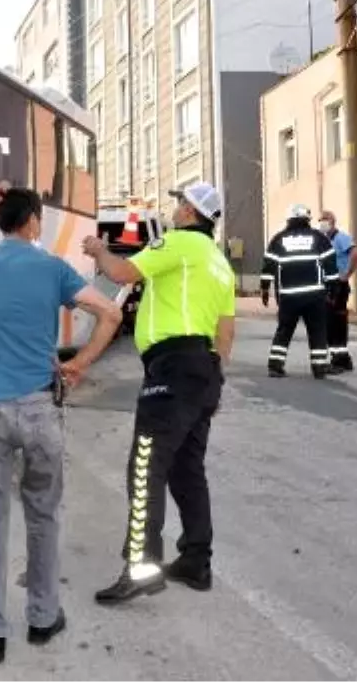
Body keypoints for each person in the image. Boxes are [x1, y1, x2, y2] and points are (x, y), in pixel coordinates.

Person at [0, 182, 122, 663]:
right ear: (34, 222)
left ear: (4, 220)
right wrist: (81, 363)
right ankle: (43, 618)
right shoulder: (53, 268)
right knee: (43, 514)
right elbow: (110, 311)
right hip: (40, 408)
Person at [80, 182, 235, 604]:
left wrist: (99, 250)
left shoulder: (179, 242)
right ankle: (195, 561)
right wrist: (215, 381)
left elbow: (122, 273)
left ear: (191, 211)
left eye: (180, 202)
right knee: (187, 470)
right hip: (203, 370)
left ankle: (142, 567)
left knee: (146, 467)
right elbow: (226, 330)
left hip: (173, 368)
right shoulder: (219, 262)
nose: (175, 208)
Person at [260, 205, 338, 379]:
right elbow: (330, 265)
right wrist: (333, 289)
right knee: (317, 330)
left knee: (284, 330)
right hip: (314, 294)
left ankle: (275, 365)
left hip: (288, 295)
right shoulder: (318, 237)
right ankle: (319, 367)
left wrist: (264, 288)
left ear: (289, 220)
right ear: (307, 220)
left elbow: (268, 266)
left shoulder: (278, 239)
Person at [317, 210, 357, 372]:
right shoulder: (322, 240)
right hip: (326, 284)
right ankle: (341, 358)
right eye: (320, 219)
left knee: (335, 322)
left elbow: (356, 253)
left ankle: (340, 359)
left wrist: (347, 274)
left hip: (337, 285)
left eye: (325, 219)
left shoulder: (340, 237)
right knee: (330, 322)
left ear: (333, 221)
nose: (322, 222)